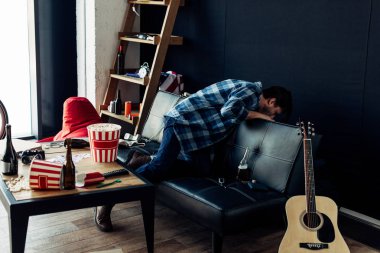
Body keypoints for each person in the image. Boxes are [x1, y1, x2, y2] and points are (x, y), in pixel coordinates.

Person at [94, 79, 292, 232]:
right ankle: (107, 201)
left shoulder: (248, 93)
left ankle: (147, 159)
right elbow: (228, 110)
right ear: (271, 101)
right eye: (274, 113)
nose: (272, 118)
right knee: (159, 168)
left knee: (201, 170)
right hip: (183, 121)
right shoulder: (251, 91)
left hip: (197, 133)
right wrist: (261, 116)